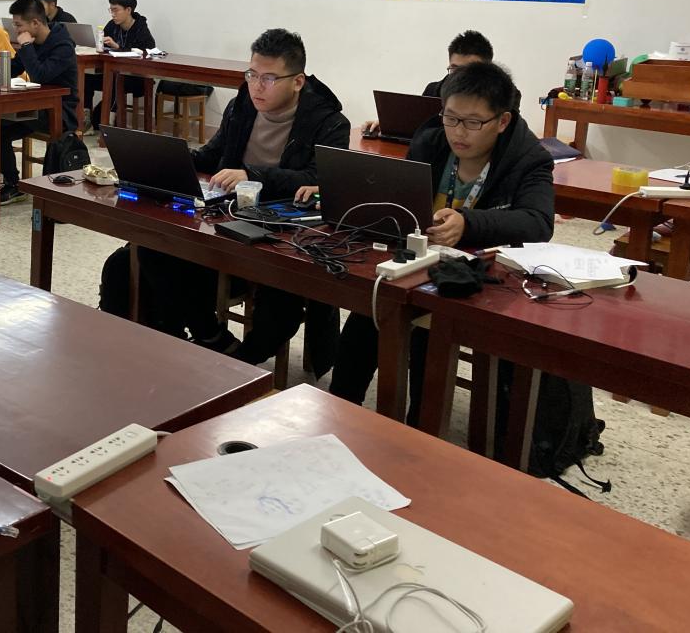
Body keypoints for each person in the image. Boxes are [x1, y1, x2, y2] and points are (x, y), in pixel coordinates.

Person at [100, 29, 351, 361]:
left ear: (297, 82)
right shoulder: (241, 107)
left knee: (282, 300)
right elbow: (211, 156)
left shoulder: (329, 123)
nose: (257, 86)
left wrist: (253, 175)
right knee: (147, 249)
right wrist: (161, 159)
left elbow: (319, 180)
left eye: (269, 78)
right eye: (252, 75)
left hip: (280, 235)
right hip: (225, 221)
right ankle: (204, 338)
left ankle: (243, 363)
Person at [328, 61, 555, 423]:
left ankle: (420, 431)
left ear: (502, 121)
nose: (458, 132)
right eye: (451, 118)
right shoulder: (431, 140)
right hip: (417, 262)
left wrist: (469, 223)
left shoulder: (528, 159)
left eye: (473, 122)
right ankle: (338, 415)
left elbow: (538, 223)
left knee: (428, 338)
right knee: (369, 313)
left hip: (474, 280)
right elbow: (400, 197)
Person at [0, 0, 79, 205]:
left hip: (58, 112)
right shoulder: (32, 41)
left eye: (19, 25)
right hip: (34, 106)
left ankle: (13, 184)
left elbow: (40, 75)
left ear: (35, 23)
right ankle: (13, 184)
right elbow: (17, 65)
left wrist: (27, 46)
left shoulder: (63, 46)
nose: (16, 30)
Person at [361, 30, 495, 136]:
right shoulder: (433, 90)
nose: (460, 77)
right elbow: (419, 128)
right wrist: (389, 127)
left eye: (468, 71)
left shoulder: (499, 98)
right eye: (454, 69)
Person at [84, 0, 156, 129]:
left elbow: (147, 52)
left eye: (116, 10)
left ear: (128, 10)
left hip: (135, 78)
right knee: (87, 77)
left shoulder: (140, 28)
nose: (112, 14)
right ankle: (85, 119)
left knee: (115, 79)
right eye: (110, 10)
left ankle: (109, 123)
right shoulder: (112, 25)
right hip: (114, 73)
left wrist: (118, 47)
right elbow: (104, 46)